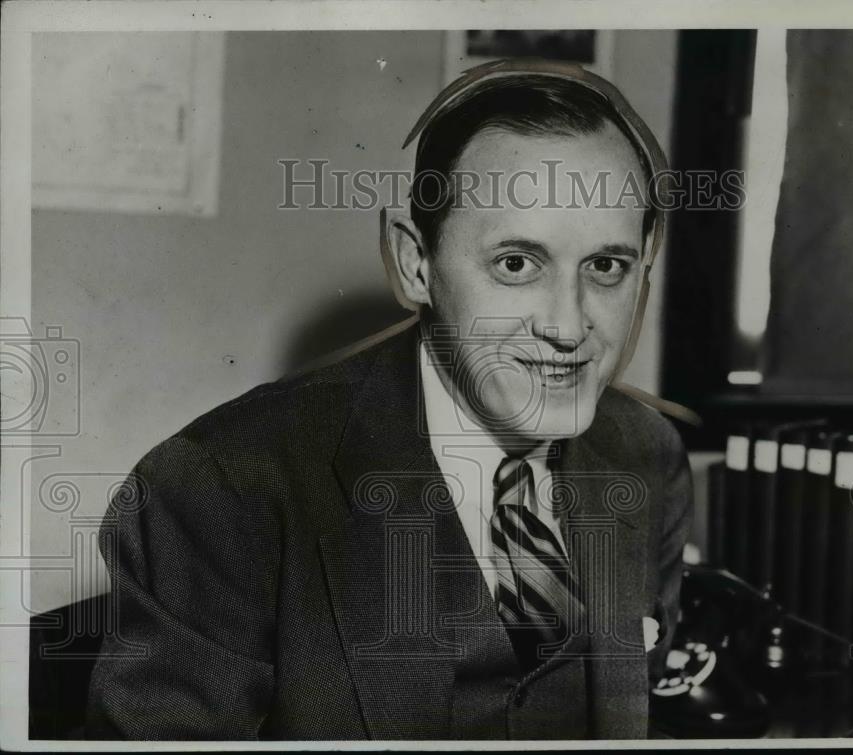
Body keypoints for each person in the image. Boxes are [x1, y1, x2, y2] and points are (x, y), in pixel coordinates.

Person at [86, 60, 692, 740]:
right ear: (414, 262)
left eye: (605, 267)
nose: (569, 325)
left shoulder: (648, 457)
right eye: (516, 264)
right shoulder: (217, 489)